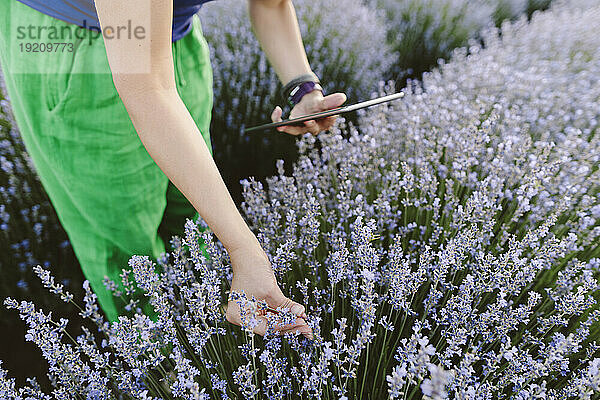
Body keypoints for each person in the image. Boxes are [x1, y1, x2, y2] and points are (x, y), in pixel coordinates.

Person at [0, 0, 347, 338]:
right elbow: (147, 90)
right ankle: (159, 368)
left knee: (191, 220)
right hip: (76, 50)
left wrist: (302, 89)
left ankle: (205, 337)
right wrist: (244, 251)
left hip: (173, 42)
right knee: (128, 250)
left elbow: (271, 4)